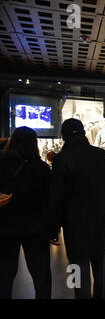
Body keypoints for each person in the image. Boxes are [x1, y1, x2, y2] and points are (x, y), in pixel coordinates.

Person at [49, 118, 105, 299]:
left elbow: (57, 198)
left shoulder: (61, 159)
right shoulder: (101, 155)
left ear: (64, 135)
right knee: (102, 272)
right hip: (100, 222)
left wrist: (54, 228)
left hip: (75, 226)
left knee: (78, 271)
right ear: (84, 132)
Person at [0, 127, 52, 299]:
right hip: (35, 228)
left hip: (6, 226)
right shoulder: (41, 168)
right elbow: (49, 200)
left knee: (5, 275)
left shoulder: (2, 164)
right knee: (41, 276)